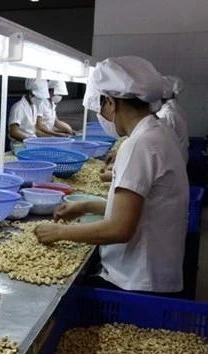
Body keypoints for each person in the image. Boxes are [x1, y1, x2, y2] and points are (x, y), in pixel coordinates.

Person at [34, 56, 189, 294]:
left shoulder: (140, 145)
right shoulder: (159, 133)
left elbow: (120, 228)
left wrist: (60, 232)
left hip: (137, 280)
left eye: (101, 108)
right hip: (154, 271)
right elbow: (138, 207)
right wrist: (86, 205)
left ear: (110, 102)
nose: (102, 115)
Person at [157, 75, 188, 162]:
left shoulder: (167, 114)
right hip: (179, 157)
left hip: (172, 160)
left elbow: (162, 142)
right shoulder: (175, 108)